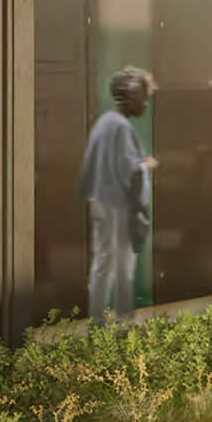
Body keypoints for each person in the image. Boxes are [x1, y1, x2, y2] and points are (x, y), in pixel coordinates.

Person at [79, 66, 157, 324]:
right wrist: (147, 165)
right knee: (124, 266)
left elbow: (93, 166)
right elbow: (131, 171)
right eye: (143, 96)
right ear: (132, 95)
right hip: (118, 206)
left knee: (102, 262)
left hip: (99, 201)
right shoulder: (122, 127)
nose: (145, 102)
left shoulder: (103, 122)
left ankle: (97, 321)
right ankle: (125, 320)